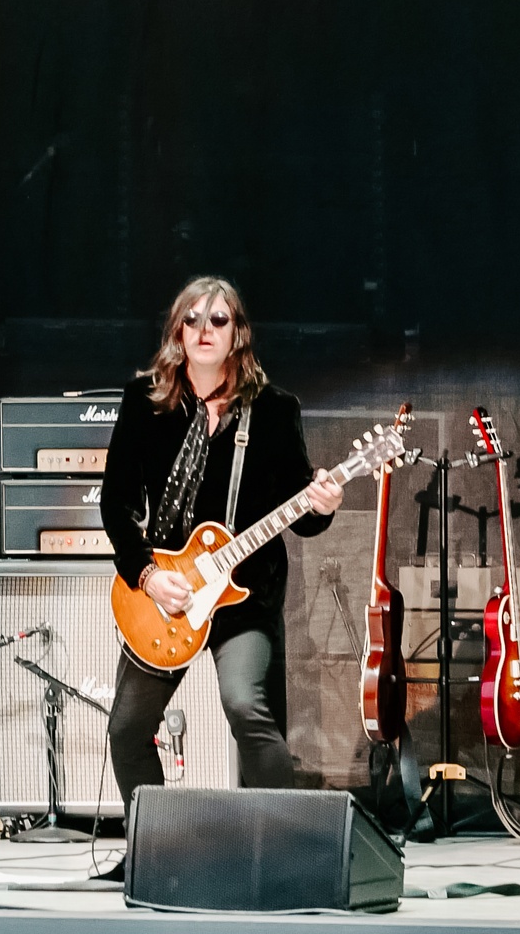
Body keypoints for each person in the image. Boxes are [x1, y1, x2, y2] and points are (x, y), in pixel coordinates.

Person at [100, 275, 341, 798]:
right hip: (167, 592)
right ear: (176, 332)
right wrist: (148, 575)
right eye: (192, 319)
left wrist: (324, 505)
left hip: (243, 595)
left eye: (218, 320)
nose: (203, 330)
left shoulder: (274, 409)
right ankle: (157, 853)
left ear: (238, 334)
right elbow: (115, 504)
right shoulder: (144, 401)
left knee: (243, 703)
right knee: (125, 730)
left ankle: (286, 848)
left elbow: (301, 513)